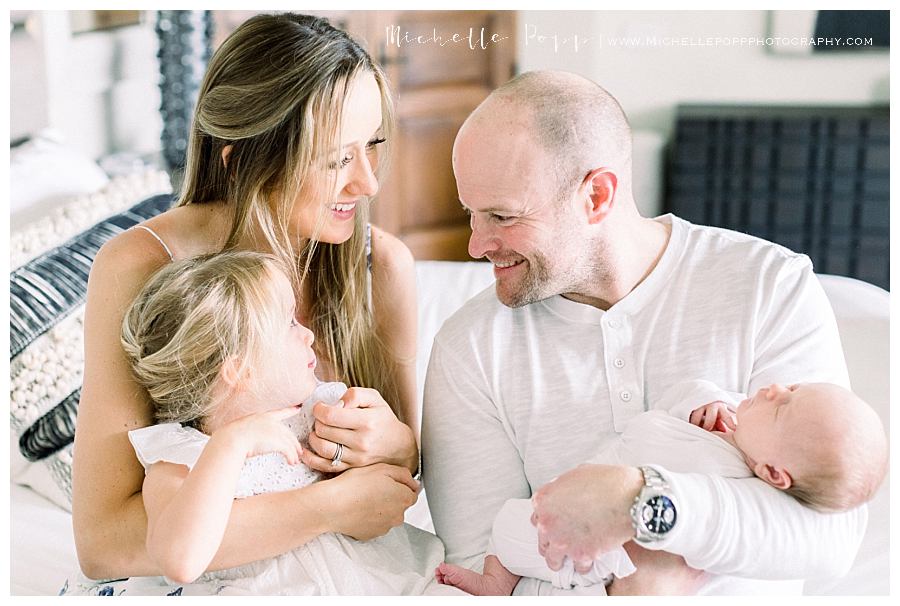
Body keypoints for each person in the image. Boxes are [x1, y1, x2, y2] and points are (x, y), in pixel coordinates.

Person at [421, 70, 868, 596]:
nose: (476, 245)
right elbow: (479, 572)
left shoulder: (768, 284)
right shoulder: (469, 347)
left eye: (502, 215)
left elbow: (830, 534)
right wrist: (640, 590)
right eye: (472, 214)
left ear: (597, 196)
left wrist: (639, 502)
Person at [73, 13, 421, 582]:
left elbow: (401, 485)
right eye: (336, 159)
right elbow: (104, 544)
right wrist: (324, 508)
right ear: (243, 162)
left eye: (372, 146)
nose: (368, 184)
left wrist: (398, 446)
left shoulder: (380, 267)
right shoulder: (142, 267)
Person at [66, 252, 458, 595]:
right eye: (289, 323)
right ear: (240, 370)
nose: (308, 334)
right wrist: (230, 446)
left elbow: (390, 494)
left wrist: (392, 445)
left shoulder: (321, 412)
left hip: (379, 583)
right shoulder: (182, 459)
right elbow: (180, 561)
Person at [434, 380, 888, 595]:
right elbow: (686, 395)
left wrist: (633, 510)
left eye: (782, 407)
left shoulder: (739, 481)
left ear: (774, 475)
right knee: (511, 518)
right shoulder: (728, 415)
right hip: (567, 509)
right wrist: (699, 405)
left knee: (519, 526)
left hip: (607, 555)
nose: (772, 390)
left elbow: (834, 537)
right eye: (790, 387)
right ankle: (496, 581)